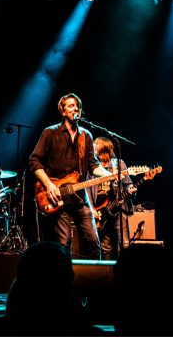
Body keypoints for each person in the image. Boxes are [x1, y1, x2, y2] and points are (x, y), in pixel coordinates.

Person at [28, 92, 111, 259]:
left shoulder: (85, 135)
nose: (75, 108)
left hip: (80, 197)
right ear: (63, 111)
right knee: (64, 244)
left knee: (93, 241)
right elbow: (34, 162)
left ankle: (97, 282)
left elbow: (93, 165)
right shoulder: (50, 133)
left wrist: (109, 174)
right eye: (71, 106)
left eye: (77, 106)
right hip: (57, 195)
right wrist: (49, 185)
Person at [91, 136, 137, 259]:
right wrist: (91, 208)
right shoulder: (93, 166)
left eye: (96, 145)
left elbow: (128, 183)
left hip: (118, 209)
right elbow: (87, 190)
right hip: (101, 211)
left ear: (103, 147)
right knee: (106, 247)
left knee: (124, 244)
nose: (93, 147)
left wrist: (130, 189)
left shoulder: (119, 164)